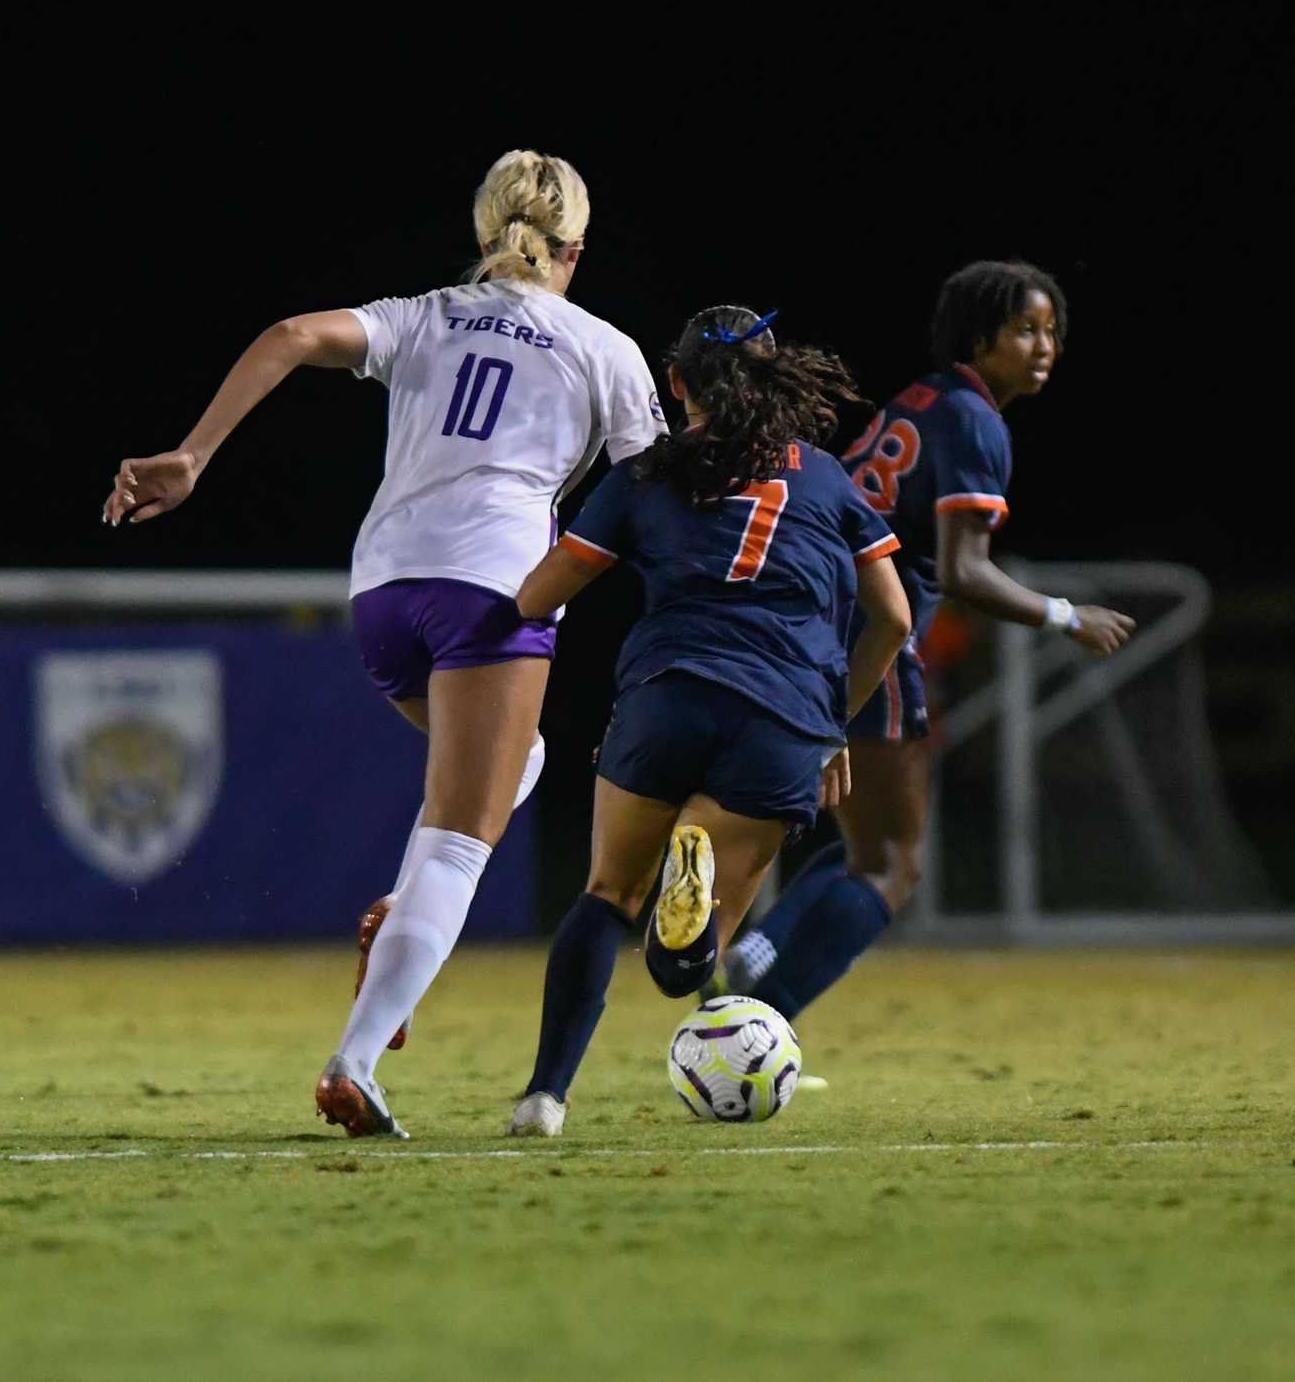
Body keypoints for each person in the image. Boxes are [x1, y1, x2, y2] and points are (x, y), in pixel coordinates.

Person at [101, 150, 662, 1139]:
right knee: (461, 839)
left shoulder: (422, 314)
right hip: (493, 589)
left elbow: (288, 334)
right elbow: (652, 494)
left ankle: (403, 909)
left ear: (484, 233)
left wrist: (192, 454)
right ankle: (354, 1060)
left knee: (506, 769)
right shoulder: (603, 347)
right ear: (574, 248)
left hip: (382, 590)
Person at [503, 305, 911, 1138]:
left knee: (606, 895)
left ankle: (544, 1096)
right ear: (774, 379)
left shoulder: (648, 473)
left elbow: (536, 598)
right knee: (679, 960)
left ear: (676, 382)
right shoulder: (827, 478)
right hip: (786, 715)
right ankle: (686, 899)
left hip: (667, 694)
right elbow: (895, 619)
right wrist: (834, 724)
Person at [715, 260, 1135, 1020]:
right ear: (980, 338)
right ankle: (759, 1022)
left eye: (1052, 332)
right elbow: (964, 570)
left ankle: (763, 943)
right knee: (895, 866)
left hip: (802, 625)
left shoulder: (922, 400)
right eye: (1025, 330)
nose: (1045, 346)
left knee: (863, 846)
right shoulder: (976, 420)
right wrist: (1068, 617)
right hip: (871, 633)